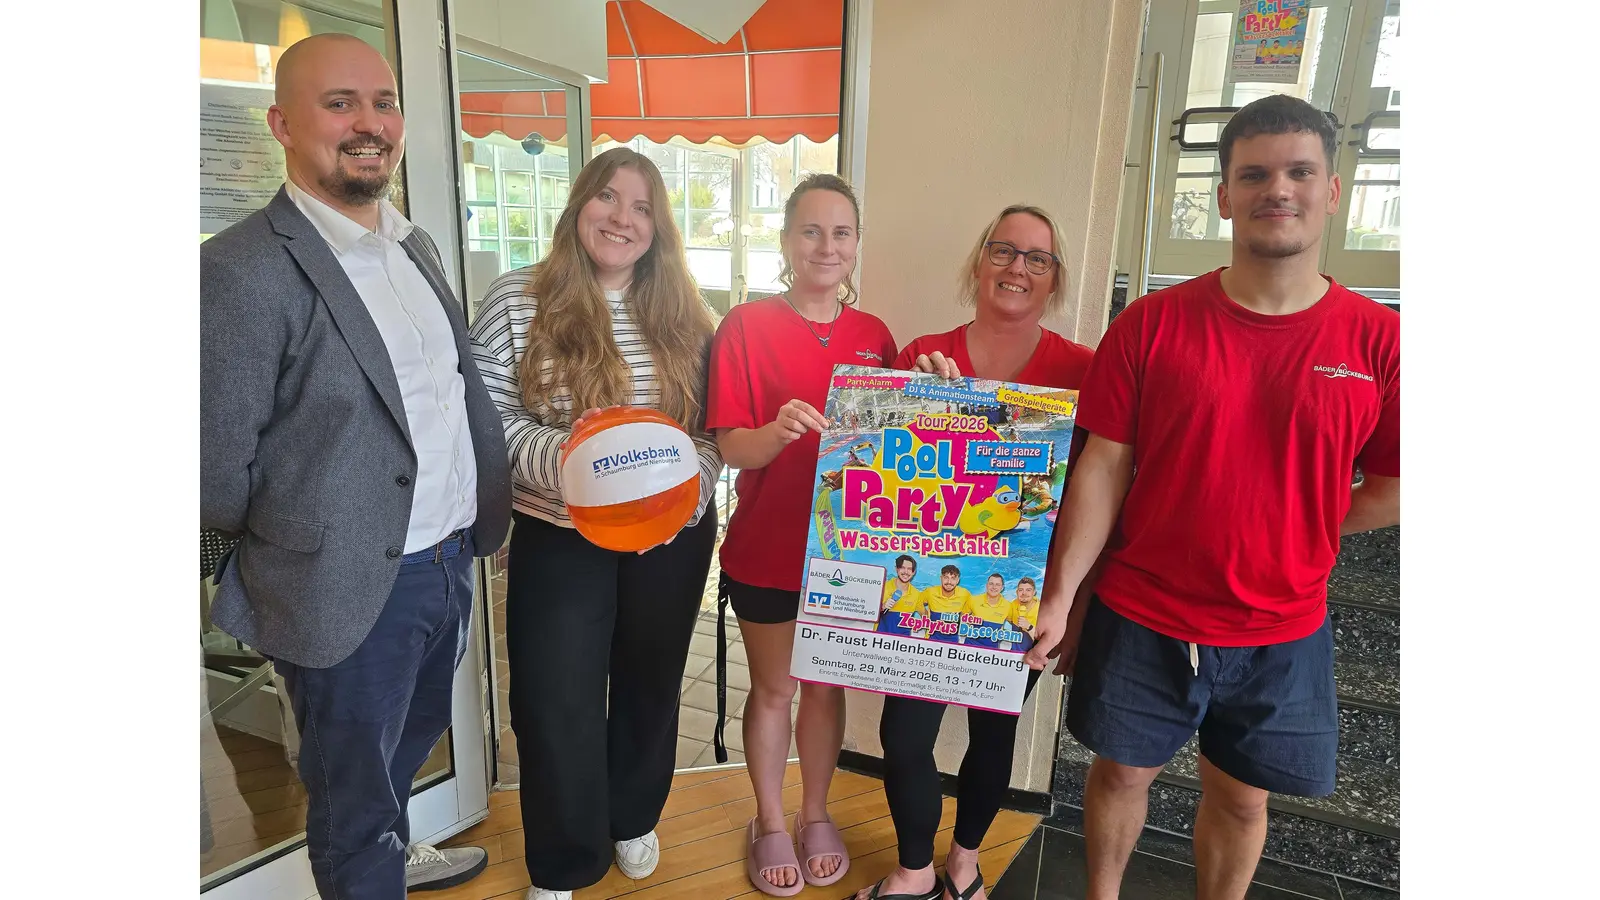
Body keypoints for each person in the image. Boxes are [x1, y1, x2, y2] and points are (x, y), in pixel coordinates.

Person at [1025, 94, 1401, 900]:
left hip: (1282, 627)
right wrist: (1060, 595)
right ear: (1225, 195)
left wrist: (1299, 523)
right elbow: (1103, 467)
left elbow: (1399, 487)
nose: (1279, 189)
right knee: (1121, 776)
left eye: (1300, 172)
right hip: (1143, 613)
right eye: (1255, 173)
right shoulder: (1152, 326)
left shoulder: (1379, 341)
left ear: (1332, 190)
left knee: (1241, 795)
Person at [199, 33, 511, 898]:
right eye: (340, 104)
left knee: (398, 756)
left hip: (447, 562)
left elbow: (448, 398)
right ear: (282, 125)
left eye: (383, 102)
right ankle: (367, 865)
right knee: (350, 797)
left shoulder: (414, 248)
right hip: (340, 585)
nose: (369, 123)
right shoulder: (237, 270)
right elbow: (212, 466)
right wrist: (287, 550)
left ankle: (386, 846)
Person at [468, 147, 724, 900]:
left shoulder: (688, 312)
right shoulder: (519, 298)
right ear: (579, 205)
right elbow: (488, 420)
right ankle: (564, 858)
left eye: (642, 207)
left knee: (650, 682)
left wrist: (691, 487)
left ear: (659, 226)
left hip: (669, 540)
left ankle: (632, 815)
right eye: (608, 199)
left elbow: (714, 427)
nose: (623, 218)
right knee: (553, 697)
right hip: (559, 532)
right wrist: (581, 464)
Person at [856, 204, 1095, 900]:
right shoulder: (924, 355)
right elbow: (879, 473)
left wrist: (1072, 607)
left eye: (1036, 258)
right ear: (978, 263)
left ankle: (964, 862)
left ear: (1054, 280)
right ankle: (914, 869)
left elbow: (1094, 495)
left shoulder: (1081, 369)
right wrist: (914, 402)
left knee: (994, 734)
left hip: (1023, 600)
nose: (1017, 267)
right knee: (905, 737)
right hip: (925, 591)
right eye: (1003, 250)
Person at [705, 173, 898, 896]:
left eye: (840, 232)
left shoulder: (876, 336)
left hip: (849, 555)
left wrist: (944, 384)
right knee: (776, 689)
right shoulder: (746, 327)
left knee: (824, 688)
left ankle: (817, 812)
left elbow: (905, 443)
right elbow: (730, 447)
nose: (826, 245)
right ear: (786, 240)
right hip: (767, 546)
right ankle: (770, 821)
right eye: (810, 230)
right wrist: (775, 432)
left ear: (855, 244)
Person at [880, 554, 929, 638]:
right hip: (879, 638)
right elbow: (869, 612)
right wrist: (882, 607)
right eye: (902, 567)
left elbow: (927, 618)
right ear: (897, 569)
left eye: (909, 569)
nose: (906, 572)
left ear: (913, 572)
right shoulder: (883, 587)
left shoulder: (916, 595)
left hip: (902, 644)